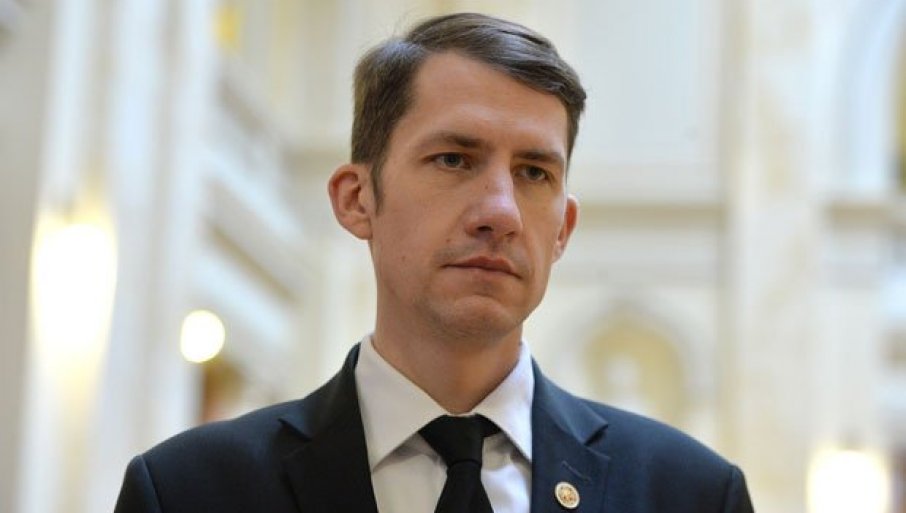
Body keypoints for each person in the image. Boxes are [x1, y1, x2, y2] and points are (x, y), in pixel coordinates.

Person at [114, 12, 754, 513]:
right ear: (357, 199)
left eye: (534, 172)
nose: (500, 211)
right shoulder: (189, 492)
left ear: (563, 228)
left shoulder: (690, 496)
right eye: (454, 159)